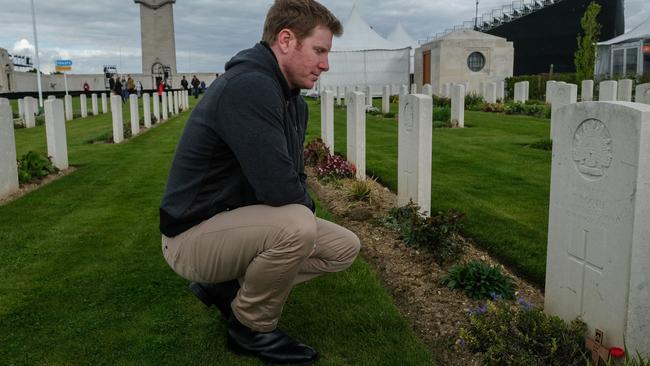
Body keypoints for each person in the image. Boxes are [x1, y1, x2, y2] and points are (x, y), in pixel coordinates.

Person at [159, 1, 356, 364]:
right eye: (319, 50)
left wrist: (306, 221)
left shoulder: (293, 101)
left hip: (233, 224)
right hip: (190, 236)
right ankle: (250, 328)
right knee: (297, 226)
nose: (326, 64)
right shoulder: (248, 87)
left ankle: (227, 289)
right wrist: (305, 224)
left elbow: (294, 175)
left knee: (343, 247)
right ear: (285, 40)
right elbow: (278, 189)